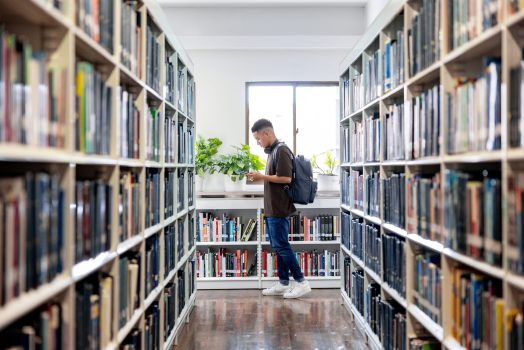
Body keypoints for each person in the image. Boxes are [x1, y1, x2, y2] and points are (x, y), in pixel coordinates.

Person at [247, 118, 311, 299]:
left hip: (279, 208)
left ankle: (301, 282)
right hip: (272, 208)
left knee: (282, 246)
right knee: (278, 246)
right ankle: (284, 282)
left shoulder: (281, 150)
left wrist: (261, 177)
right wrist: (260, 176)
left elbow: (286, 178)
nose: (258, 143)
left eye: (258, 139)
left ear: (266, 133)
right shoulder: (273, 151)